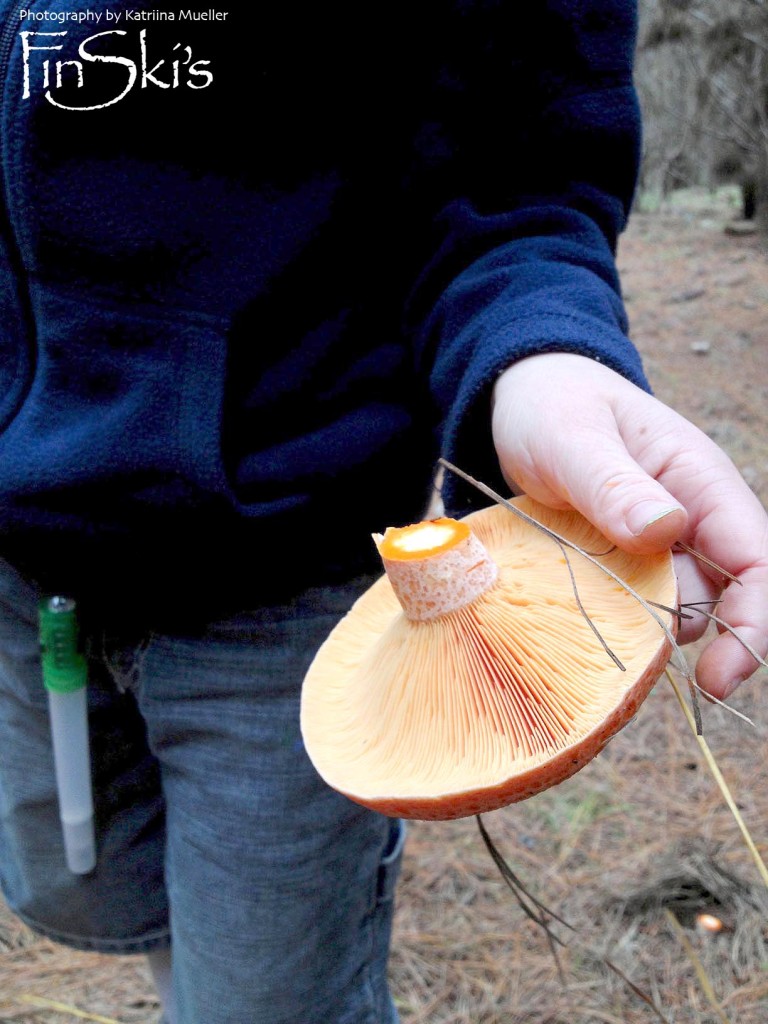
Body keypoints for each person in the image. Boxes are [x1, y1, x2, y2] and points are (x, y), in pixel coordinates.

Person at [0, 2, 764, 1022]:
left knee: (269, 992)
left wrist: (536, 354)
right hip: (20, 559)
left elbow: (513, 178)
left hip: (283, 587)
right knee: (97, 891)